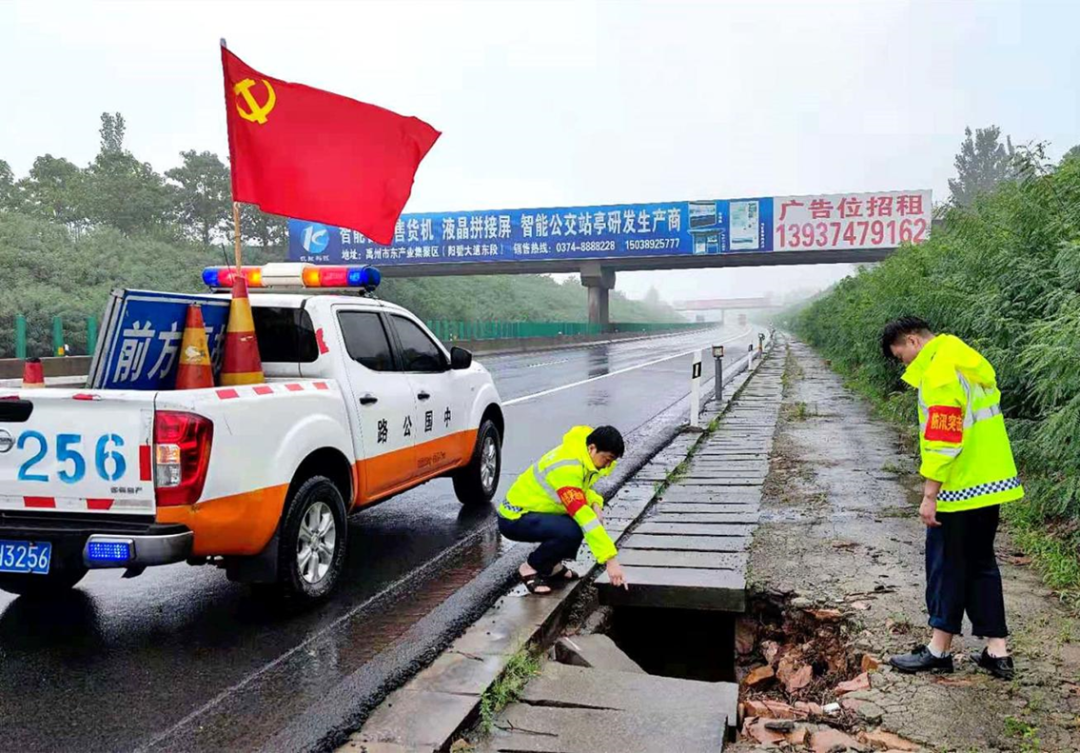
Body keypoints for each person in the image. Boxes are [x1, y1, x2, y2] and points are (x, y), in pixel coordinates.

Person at [881, 317, 1022, 680]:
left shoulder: (940, 371)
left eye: (903, 357)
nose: (906, 365)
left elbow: (944, 441)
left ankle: (938, 650)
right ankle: (997, 651)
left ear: (913, 342)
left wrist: (930, 494)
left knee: (946, 566)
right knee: (981, 563)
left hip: (959, 487)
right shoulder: (964, 359)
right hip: (990, 482)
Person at [498, 425, 628, 595]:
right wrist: (610, 560)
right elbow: (583, 515)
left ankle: (551, 566)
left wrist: (596, 503)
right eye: (607, 459)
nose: (607, 465)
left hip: (536, 511)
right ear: (592, 448)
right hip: (514, 518)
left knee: (575, 525)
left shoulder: (583, 455)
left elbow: (582, 490)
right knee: (573, 530)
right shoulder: (567, 466)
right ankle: (530, 567)